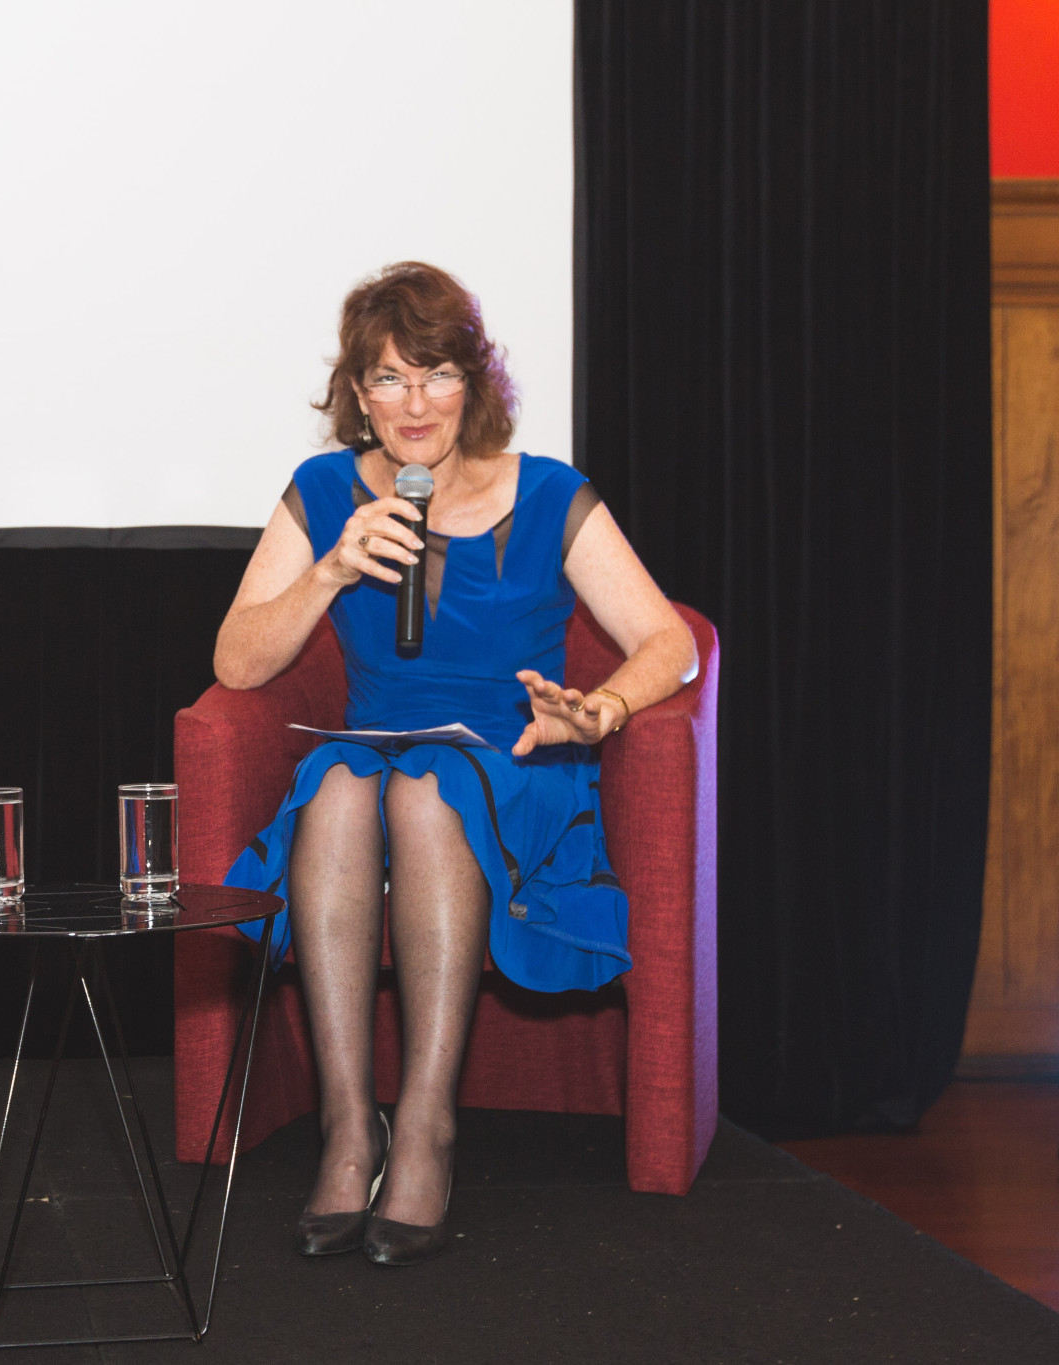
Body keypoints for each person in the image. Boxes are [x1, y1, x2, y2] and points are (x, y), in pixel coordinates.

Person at [214, 263, 697, 1267]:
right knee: (338, 785)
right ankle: (348, 1125)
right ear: (356, 394)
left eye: (435, 373)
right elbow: (237, 661)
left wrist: (598, 711)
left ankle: (427, 1125)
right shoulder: (323, 493)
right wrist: (330, 569)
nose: (414, 404)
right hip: (373, 755)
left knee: (428, 791)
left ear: (474, 383)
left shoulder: (550, 493)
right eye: (388, 379)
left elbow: (670, 642)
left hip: (511, 761)